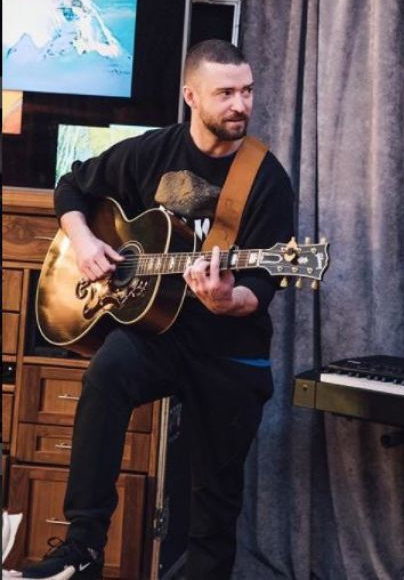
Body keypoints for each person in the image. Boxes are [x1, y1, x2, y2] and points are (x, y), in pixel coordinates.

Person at [20, 39, 295, 580]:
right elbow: (71, 188)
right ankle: (82, 545)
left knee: (214, 498)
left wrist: (226, 299)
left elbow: (262, 286)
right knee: (106, 374)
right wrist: (85, 243)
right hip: (157, 332)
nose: (240, 104)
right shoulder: (151, 152)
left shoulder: (265, 178)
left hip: (228, 347)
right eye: (225, 93)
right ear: (191, 96)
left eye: (247, 91)